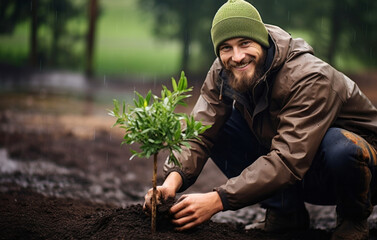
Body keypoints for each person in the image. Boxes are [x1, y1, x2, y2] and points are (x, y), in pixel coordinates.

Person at [142, 0, 377, 239]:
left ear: (262, 41)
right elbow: (200, 131)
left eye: (245, 43)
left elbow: (287, 160)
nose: (237, 56)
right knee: (221, 127)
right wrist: (171, 183)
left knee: (342, 146)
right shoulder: (224, 69)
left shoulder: (311, 77)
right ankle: (285, 214)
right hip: (299, 167)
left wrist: (218, 199)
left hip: (356, 172)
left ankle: (353, 219)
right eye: (226, 47)